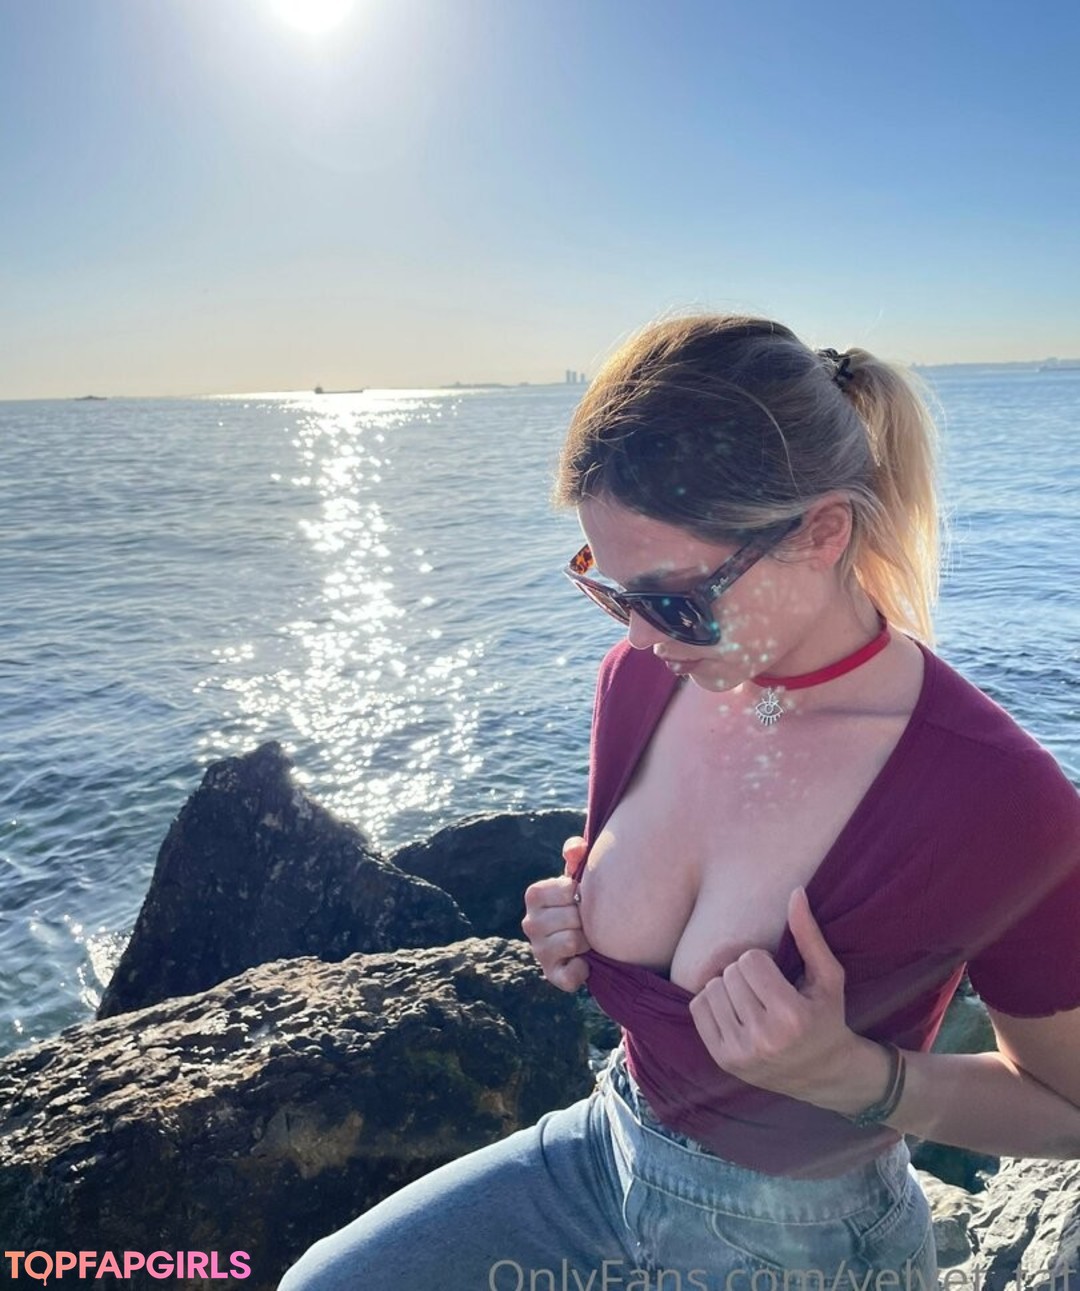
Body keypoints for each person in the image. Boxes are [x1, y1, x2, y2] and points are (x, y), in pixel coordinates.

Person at [279, 314, 1080, 1291]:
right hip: (606, 1146)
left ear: (823, 532)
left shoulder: (992, 793)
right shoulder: (642, 680)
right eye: (613, 591)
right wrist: (576, 921)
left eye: (675, 599)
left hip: (806, 1238)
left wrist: (856, 1077)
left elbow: (1069, 1110)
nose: (641, 635)